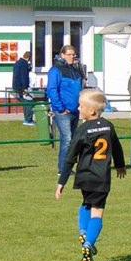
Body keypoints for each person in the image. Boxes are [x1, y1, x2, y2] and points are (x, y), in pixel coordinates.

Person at [55, 89, 126, 261]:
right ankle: (89, 243)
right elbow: (117, 147)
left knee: (86, 203)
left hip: (84, 176)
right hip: (101, 177)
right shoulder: (108, 126)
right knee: (97, 211)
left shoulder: (82, 130)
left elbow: (70, 157)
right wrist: (120, 165)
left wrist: (62, 181)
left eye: (81, 106)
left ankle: (83, 232)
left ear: (92, 111)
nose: (78, 108)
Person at [47, 45, 84, 175]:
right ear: (62, 55)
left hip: (75, 110)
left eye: (74, 54)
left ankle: (70, 167)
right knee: (67, 139)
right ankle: (63, 169)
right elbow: (52, 90)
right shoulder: (55, 70)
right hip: (63, 111)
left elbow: (79, 89)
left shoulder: (75, 70)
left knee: (73, 140)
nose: (72, 57)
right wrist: (60, 108)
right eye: (69, 54)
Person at [12, 51, 34, 126]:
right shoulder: (24, 64)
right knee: (29, 103)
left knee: (25, 103)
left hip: (17, 86)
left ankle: (26, 119)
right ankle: (28, 120)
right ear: (29, 58)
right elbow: (24, 77)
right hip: (23, 87)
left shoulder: (17, 63)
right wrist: (25, 88)